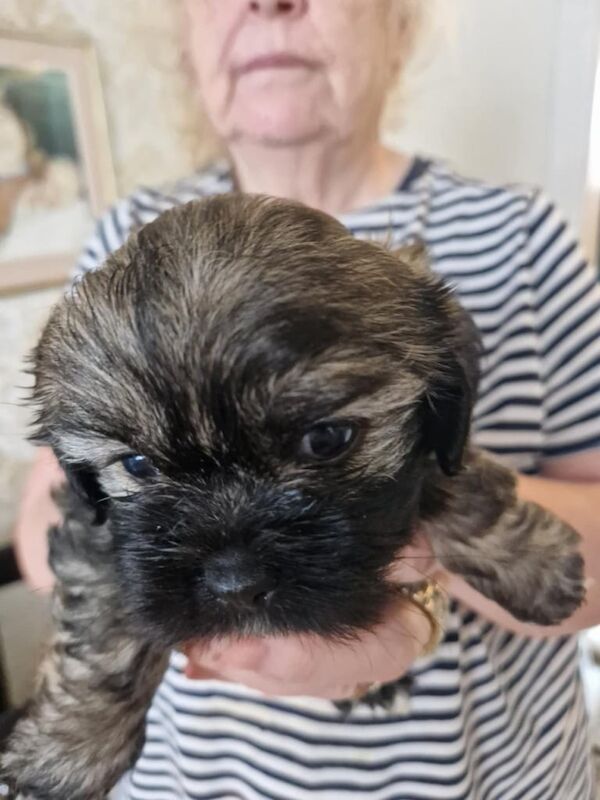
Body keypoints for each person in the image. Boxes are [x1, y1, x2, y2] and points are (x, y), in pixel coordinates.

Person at [12, 1, 600, 798]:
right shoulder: (115, 238)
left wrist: (440, 559)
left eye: (326, 440)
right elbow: (58, 516)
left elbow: (571, 572)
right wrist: (94, 702)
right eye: (143, 462)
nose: (269, 0)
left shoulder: (524, 239)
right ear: (185, 35)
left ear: (401, 23)